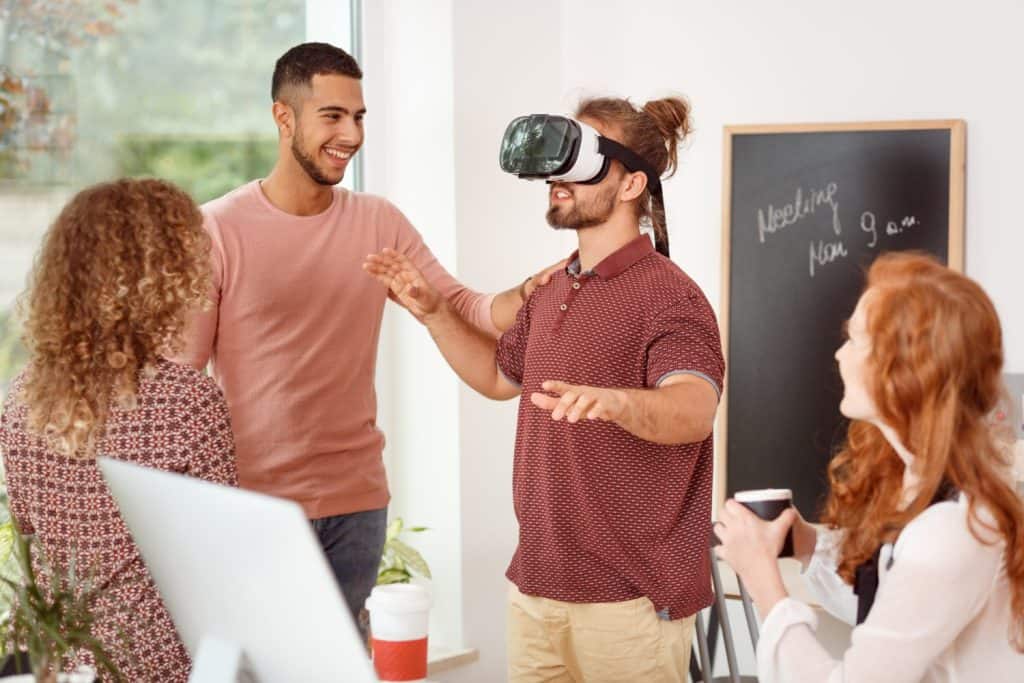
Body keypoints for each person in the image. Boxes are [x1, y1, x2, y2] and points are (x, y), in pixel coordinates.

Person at [174, 42, 560, 636]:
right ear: (284, 117)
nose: (351, 135)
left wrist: (532, 289)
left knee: (339, 660)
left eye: (359, 118)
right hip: (257, 509)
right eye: (332, 116)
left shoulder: (377, 222)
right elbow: (179, 382)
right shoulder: (217, 229)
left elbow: (466, 307)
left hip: (356, 504)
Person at [365, 95, 724, 682]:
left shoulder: (670, 295)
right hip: (537, 587)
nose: (558, 176)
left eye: (581, 158)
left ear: (632, 183)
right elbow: (498, 378)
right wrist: (434, 314)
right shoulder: (555, 287)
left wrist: (617, 401)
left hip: (629, 601)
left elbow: (694, 409)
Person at [715, 252, 1024, 681]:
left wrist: (764, 582)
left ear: (907, 370)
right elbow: (892, 615)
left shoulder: (953, 529)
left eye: (855, 339)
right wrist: (806, 544)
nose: (840, 355)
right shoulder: (923, 487)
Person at [0, 178, 238, 681]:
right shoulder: (188, 402)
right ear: (161, 277)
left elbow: (29, 539)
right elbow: (220, 565)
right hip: (154, 658)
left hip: (53, 654)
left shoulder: (20, 398)